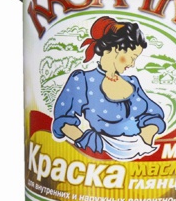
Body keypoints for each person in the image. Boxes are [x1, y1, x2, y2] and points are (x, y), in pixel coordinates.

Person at [52, 16, 166, 161]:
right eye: (132, 57)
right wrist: (85, 141)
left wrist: (145, 138)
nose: (132, 64)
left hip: (139, 149)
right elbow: (63, 118)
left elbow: (153, 113)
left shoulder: (133, 82)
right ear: (116, 49)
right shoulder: (83, 80)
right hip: (101, 151)